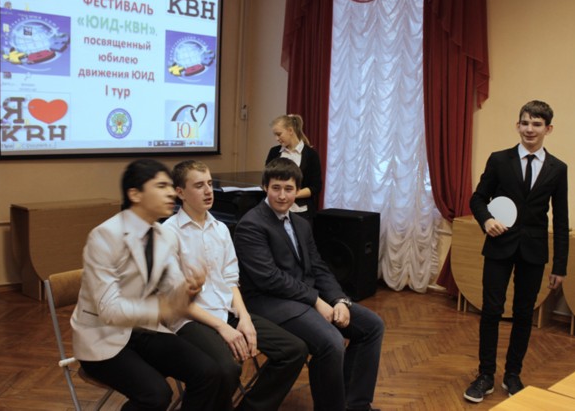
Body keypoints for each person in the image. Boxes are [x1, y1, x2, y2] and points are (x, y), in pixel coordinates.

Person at [71, 159, 229, 411]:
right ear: (135, 194)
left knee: (210, 373)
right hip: (103, 338)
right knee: (156, 395)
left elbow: (173, 288)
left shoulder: (164, 235)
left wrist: (189, 289)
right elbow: (109, 311)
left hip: (144, 329)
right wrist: (162, 308)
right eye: (161, 186)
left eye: (170, 186)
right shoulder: (105, 236)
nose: (170, 193)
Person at [234, 158, 384, 411]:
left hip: (302, 298)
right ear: (264, 187)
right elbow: (269, 278)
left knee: (372, 325)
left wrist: (339, 300)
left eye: (289, 189)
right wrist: (316, 301)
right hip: (270, 302)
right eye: (276, 188)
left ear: (298, 191)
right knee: (332, 342)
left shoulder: (301, 224)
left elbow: (318, 267)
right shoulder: (251, 225)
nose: (282, 195)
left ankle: (356, 405)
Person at [163, 160, 308, 411]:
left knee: (294, 350)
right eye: (199, 185)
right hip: (189, 319)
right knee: (226, 370)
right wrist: (223, 328)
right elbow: (176, 300)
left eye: (210, 183)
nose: (208, 191)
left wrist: (245, 318)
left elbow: (230, 280)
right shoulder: (168, 233)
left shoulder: (220, 229)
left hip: (226, 310)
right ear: (180, 192)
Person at [463, 100, 569, 403]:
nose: (529, 129)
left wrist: (559, 266)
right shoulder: (499, 160)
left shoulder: (558, 168)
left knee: (524, 314)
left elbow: (561, 220)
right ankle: (485, 375)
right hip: (498, 247)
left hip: (534, 252)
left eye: (537, 124)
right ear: (517, 125)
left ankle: (513, 374)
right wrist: (487, 220)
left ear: (548, 129)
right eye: (525, 123)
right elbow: (477, 198)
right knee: (491, 311)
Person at [266, 114, 322, 221]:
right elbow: (267, 180)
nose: (276, 139)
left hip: (301, 212)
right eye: (275, 135)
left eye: (279, 134)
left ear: (290, 130)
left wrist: (289, 195)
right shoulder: (274, 152)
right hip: (274, 211)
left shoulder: (311, 155)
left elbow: (315, 187)